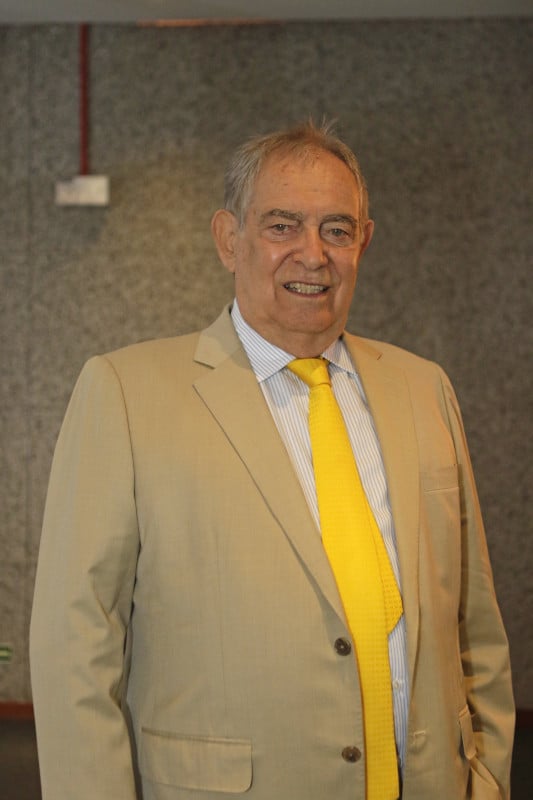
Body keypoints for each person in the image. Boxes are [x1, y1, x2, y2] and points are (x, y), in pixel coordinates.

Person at [30, 121, 514, 800]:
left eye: (337, 230)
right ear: (229, 239)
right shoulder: (126, 394)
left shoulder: (423, 388)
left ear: (363, 243)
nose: (312, 255)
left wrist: (485, 780)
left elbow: (473, 621)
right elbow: (75, 645)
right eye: (282, 226)